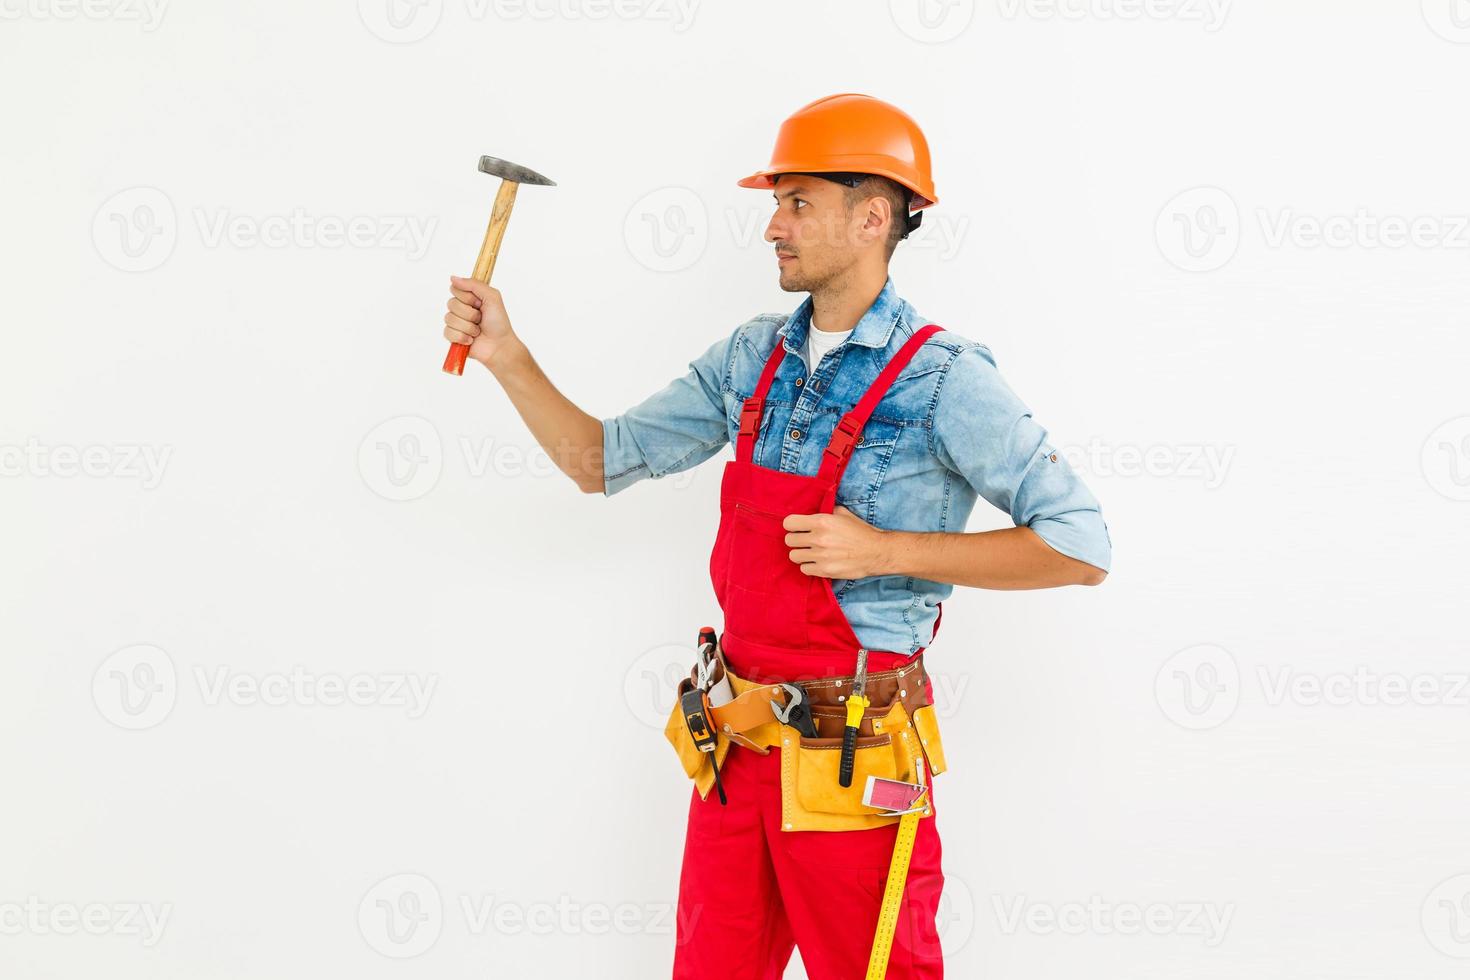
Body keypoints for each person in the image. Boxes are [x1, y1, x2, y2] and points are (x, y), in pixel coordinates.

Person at [441, 92, 1110, 979]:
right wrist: (507, 356)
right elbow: (597, 459)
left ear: (873, 216)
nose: (773, 226)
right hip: (736, 754)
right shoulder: (749, 359)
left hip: (854, 766)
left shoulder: (945, 378)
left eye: (797, 202)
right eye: (775, 202)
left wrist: (886, 550)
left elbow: (1080, 545)